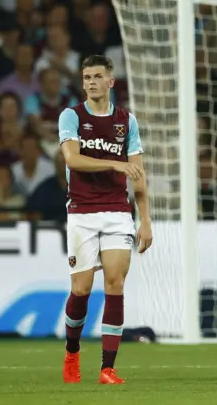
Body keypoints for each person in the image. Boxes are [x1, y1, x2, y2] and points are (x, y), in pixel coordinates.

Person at [58, 55, 153, 384]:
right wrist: (113, 164)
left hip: (116, 212)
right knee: (81, 289)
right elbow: (72, 159)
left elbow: (138, 175)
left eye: (97, 76)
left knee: (115, 284)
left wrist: (145, 220)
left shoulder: (127, 121)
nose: (91, 82)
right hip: (82, 212)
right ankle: (72, 353)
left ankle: (107, 369)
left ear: (111, 82)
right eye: (86, 77)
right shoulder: (72, 116)